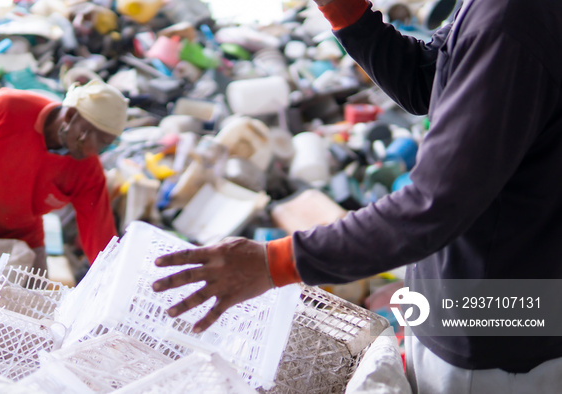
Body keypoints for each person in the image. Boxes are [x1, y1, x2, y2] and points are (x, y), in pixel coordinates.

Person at [152, 0, 562, 392]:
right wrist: (344, 10)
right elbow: (429, 79)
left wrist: (272, 263)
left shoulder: (512, 19)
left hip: (496, 331)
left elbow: (434, 205)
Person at [0, 78, 128, 272]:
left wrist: (110, 275)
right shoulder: (7, 107)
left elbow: (99, 234)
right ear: (71, 116)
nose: (96, 151)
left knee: (34, 301)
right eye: (96, 140)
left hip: (21, 240)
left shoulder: (88, 170)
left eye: (105, 145)